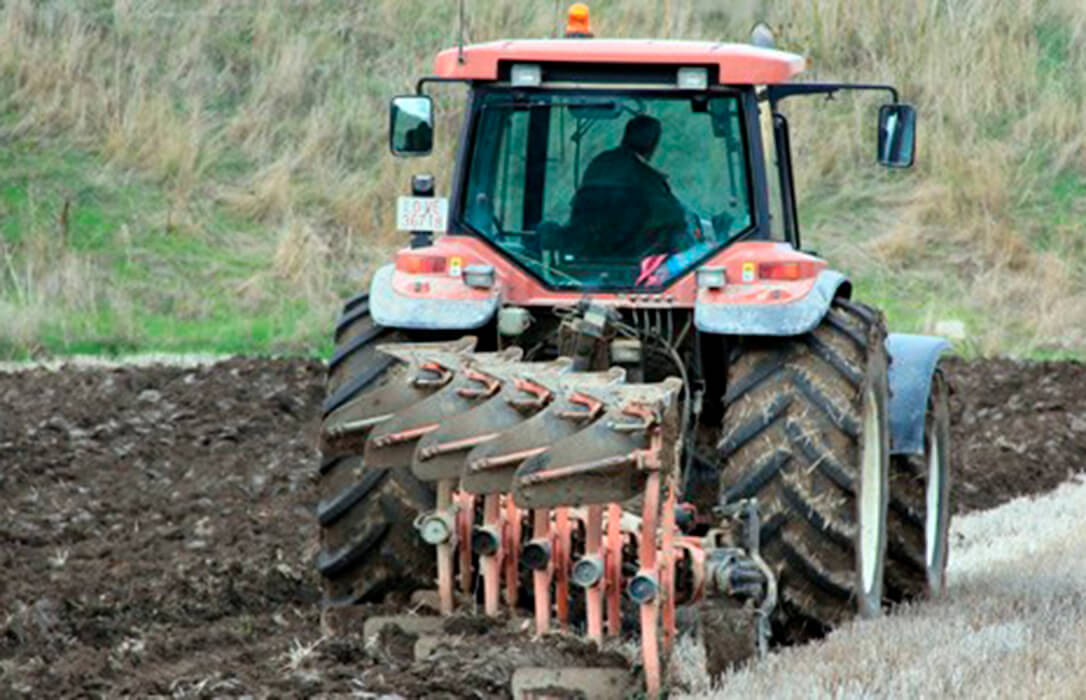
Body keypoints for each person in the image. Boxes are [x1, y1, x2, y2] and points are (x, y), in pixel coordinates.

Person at [569, 115, 687, 258]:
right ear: (653, 144)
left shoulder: (600, 162)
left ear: (625, 136)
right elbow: (671, 215)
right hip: (630, 255)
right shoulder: (646, 177)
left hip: (586, 250)